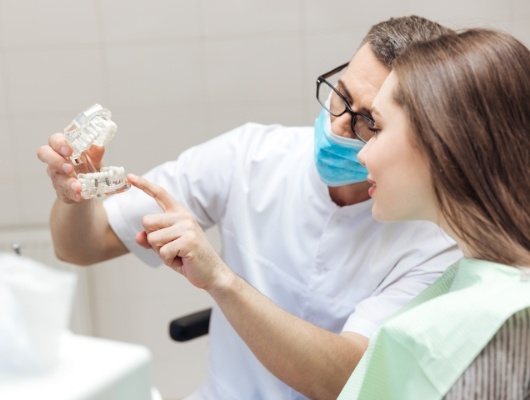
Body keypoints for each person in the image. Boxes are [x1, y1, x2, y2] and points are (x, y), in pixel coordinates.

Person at [37, 16, 462, 400]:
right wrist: (72, 196)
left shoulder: (435, 240)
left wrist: (221, 280)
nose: (337, 126)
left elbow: (347, 381)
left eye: (369, 121)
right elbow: (82, 247)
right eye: (341, 95)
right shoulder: (252, 156)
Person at [335, 29, 530, 399]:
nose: (362, 154)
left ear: (440, 139)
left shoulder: (495, 326)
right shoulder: (477, 277)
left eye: (376, 126)